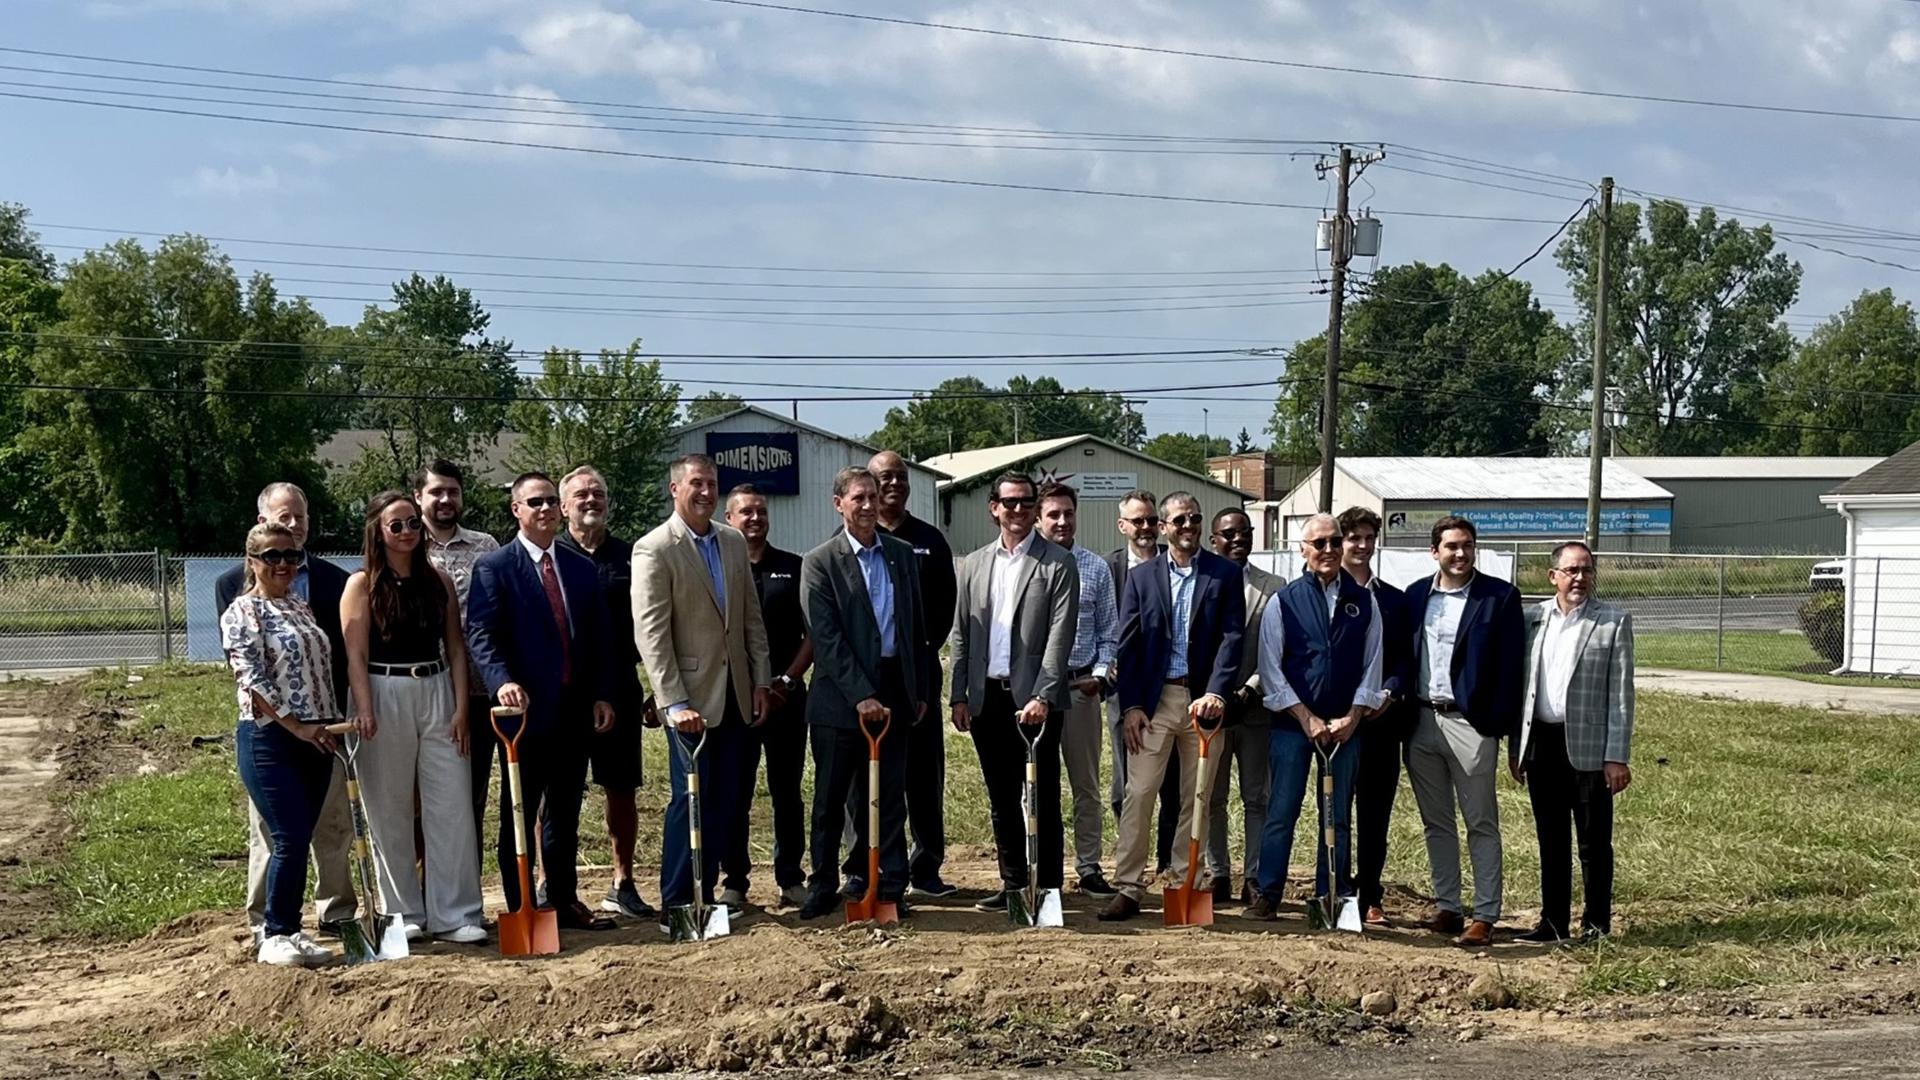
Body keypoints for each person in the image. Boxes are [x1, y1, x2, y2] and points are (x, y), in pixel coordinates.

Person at [465, 472, 619, 932]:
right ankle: (521, 904)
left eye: (552, 501)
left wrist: (602, 694)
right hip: (523, 714)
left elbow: (600, 639)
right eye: (536, 502)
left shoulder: (579, 568)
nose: (547, 509)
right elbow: (482, 635)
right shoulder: (495, 567)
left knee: (566, 811)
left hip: (573, 709)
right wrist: (501, 683)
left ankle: (564, 898)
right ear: (516, 510)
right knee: (520, 811)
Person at [339, 492, 487, 945]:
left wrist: (462, 707)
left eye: (412, 525)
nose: (407, 533)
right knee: (389, 806)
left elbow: (457, 648)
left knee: (452, 803)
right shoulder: (361, 584)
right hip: (383, 692)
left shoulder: (438, 579)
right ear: (378, 532)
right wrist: (364, 707)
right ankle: (401, 912)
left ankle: (456, 912)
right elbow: (355, 653)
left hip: (437, 688)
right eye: (396, 525)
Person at [214, 482, 357, 942]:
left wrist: (334, 722)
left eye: (291, 554)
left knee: (323, 829)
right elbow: (247, 673)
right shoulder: (238, 603)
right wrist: (294, 725)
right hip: (273, 735)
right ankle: (272, 927)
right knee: (282, 836)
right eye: (273, 554)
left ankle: (317, 919)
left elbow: (332, 662)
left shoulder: (314, 596)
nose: (284, 561)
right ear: (253, 557)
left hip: (322, 733)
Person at [633, 454, 772, 919]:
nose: (706, 492)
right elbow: (651, 633)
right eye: (697, 484)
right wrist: (672, 701)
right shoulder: (655, 548)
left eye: (712, 484)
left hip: (736, 693)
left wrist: (761, 680)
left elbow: (751, 618)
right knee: (689, 799)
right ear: (675, 490)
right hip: (689, 700)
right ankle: (678, 900)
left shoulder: (732, 541)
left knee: (727, 799)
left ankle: (706, 894)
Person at [1100, 492, 1245, 922]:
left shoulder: (1223, 574)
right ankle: (1128, 886)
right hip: (1155, 702)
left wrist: (1218, 691)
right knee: (1139, 793)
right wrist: (1131, 706)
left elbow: (1232, 638)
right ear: (1163, 528)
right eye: (1179, 520)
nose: (1188, 526)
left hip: (1204, 703)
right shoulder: (1142, 578)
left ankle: (1187, 882)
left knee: (1195, 797)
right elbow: (1128, 643)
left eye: (1195, 519)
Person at [797, 467, 931, 919]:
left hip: (894, 691)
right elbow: (826, 637)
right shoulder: (820, 561)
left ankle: (889, 882)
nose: (870, 505)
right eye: (859, 498)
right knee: (832, 798)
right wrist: (860, 695)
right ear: (839, 504)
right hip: (838, 699)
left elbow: (914, 627)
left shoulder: (900, 554)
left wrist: (917, 688)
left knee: (890, 796)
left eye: (873, 496)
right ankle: (822, 884)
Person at [949, 470, 1079, 913]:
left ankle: (1047, 891)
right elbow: (963, 633)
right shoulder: (973, 564)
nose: (1019, 511)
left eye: (1026, 503)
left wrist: (1043, 695)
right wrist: (959, 694)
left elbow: (1060, 637)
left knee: (1042, 798)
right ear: (994, 508)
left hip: (1036, 703)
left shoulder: (1057, 563)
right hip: (988, 697)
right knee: (1002, 798)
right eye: (1010, 503)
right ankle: (1012, 885)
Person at [1245, 513, 1383, 921]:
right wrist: (1305, 718)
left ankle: (1333, 896)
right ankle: (1269, 892)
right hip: (1292, 727)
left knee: (1337, 816)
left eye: (1334, 542)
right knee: (1281, 810)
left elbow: (1372, 663)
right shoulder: (1284, 601)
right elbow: (1271, 668)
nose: (1329, 550)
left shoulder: (1364, 600)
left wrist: (1353, 716)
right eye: (1319, 544)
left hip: (1344, 730)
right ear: (1303, 550)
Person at [1404, 515, 1525, 947]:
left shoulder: (1500, 598)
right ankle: (1449, 906)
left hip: (1471, 726)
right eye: (1451, 546)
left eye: (1467, 545)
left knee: (1480, 821)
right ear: (1434, 551)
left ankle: (1486, 913)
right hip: (1420, 722)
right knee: (1436, 822)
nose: (1460, 553)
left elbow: (1513, 672)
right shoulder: (1416, 596)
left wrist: (1505, 732)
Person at [1513, 540, 1635, 944]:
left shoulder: (1612, 622)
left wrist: (1616, 757)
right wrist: (1519, 748)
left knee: (1593, 843)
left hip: (1589, 749)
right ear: (1553, 577)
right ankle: (1553, 923)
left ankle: (1596, 925)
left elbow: (1621, 696)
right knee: (1551, 840)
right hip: (1542, 745)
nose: (1579, 578)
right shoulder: (1532, 620)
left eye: (1586, 570)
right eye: (1571, 571)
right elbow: (1522, 691)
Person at [555, 465, 659, 921]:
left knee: (621, 790)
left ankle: (622, 882)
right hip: (563, 694)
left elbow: (655, 626)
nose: (591, 500)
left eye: (598, 492)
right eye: (581, 494)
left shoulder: (632, 556)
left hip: (619, 689)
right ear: (563, 507)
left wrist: (660, 688)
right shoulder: (549, 555)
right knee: (558, 794)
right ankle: (554, 883)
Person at [869, 450, 960, 898]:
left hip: (918, 677)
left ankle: (927, 867)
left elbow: (945, 607)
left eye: (901, 477)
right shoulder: (853, 540)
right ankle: (872, 866)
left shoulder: (929, 539)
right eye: (885, 477)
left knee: (924, 776)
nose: (894, 485)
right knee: (866, 779)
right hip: (868, 680)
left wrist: (921, 657)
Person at [726, 483, 816, 909]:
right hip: (735, 701)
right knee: (736, 792)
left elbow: (812, 633)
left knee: (787, 792)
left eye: (761, 511)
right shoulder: (721, 567)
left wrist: (787, 681)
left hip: (786, 699)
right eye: (746, 512)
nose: (755, 519)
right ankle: (735, 881)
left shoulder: (793, 567)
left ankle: (790, 878)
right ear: (729, 519)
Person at [414, 459, 502, 866]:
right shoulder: (404, 544)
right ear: (418, 497)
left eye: (452, 491)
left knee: (470, 797)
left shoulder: (485, 547)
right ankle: (422, 891)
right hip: (422, 693)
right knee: (420, 799)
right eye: (436, 492)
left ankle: (465, 896)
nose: (445, 499)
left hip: (479, 693)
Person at [1037, 481, 1119, 897]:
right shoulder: (1028, 566)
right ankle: (1036, 866)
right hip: (1036, 694)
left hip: (1080, 688)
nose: (1063, 521)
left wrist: (1102, 675)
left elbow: (1109, 630)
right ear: (1038, 518)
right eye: (1053, 514)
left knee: (1085, 783)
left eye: (1068, 513)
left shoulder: (1095, 567)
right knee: (1033, 784)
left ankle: (1088, 866)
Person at [1337, 506, 1416, 928]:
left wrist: (1389, 691)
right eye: (1354, 538)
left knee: (1374, 814)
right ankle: (1336, 890)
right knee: (1337, 814)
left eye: (1369, 538)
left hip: (1381, 724)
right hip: (1338, 725)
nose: (1363, 546)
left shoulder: (1393, 599)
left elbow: (1405, 656)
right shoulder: (1327, 595)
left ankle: (1370, 894)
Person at [1203, 506, 1283, 905]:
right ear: (1213, 539)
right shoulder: (1200, 580)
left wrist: (1250, 689)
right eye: (1228, 533)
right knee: (1212, 798)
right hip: (1210, 712)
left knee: (1257, 797)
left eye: (1244, 532)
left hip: (1255, 709)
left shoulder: (1275, 586)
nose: (1238, 539)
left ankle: (1253, 876)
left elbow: (1275, 651)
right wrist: (1214, 694)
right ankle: (1218, 873)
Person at [1106, 490, 1182, 874]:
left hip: (1172, 692)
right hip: (1127, 695)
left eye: (1152, 520)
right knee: (1129, 784)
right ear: (1123, 526)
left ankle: (1168, 862)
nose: (1147, 528)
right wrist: (1109, 666)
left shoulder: (1179, 567)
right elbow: (1103, 625)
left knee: (1174, 785)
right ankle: (1128, 863)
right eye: (1138, 521)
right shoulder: (1110, 568)